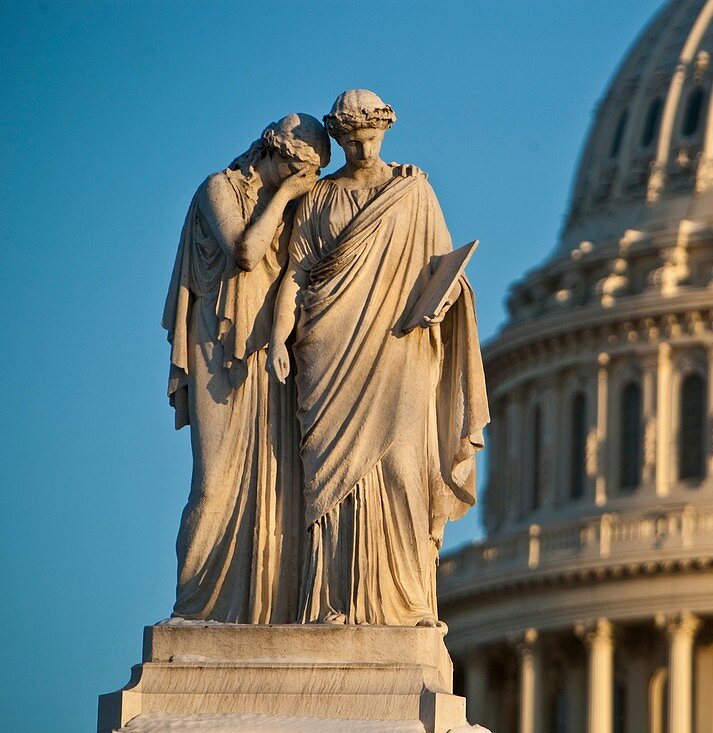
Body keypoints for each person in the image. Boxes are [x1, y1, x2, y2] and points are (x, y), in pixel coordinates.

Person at [268, 89, 489, 626]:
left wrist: (444, 302)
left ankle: (405, 603)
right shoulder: (319, 199)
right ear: (339, 140)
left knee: (402, 469)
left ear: (384, 132)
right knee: (331, 484)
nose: (362, 150)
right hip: (328, 348)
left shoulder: (414, 193)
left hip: (400, 349)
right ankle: (330, 603)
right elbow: (297, 274)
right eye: (351, 142)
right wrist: (277, 338)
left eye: (369, 139)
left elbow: (447, 272)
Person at [163, 114, 328, 623]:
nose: (307, 182)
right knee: (212, 484)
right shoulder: (220, 188)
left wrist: (398, 177)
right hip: (219, 348)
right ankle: (192, 608)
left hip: (272, 355)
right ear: (274, 153)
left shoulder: (298, 203)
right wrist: (283, 197)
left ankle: (266, 613)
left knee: (275, 489)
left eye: (313, 174)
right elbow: (245, 252)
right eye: (300, 168)